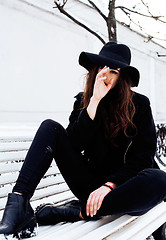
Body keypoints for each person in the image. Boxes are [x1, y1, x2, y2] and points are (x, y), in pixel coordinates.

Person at [0, 42, 166, 240]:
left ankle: (75, 211)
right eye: (101, 68)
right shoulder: (83, 101)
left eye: (112, 70)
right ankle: (18, 204)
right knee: (50, 127)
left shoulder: (139, 105)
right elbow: (73, 145)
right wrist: (94, 102)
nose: (105, 75)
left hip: (123, 189)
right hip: (88, 186)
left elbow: (142, 157)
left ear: (122, 76)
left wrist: (110, 185)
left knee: (160, 180)